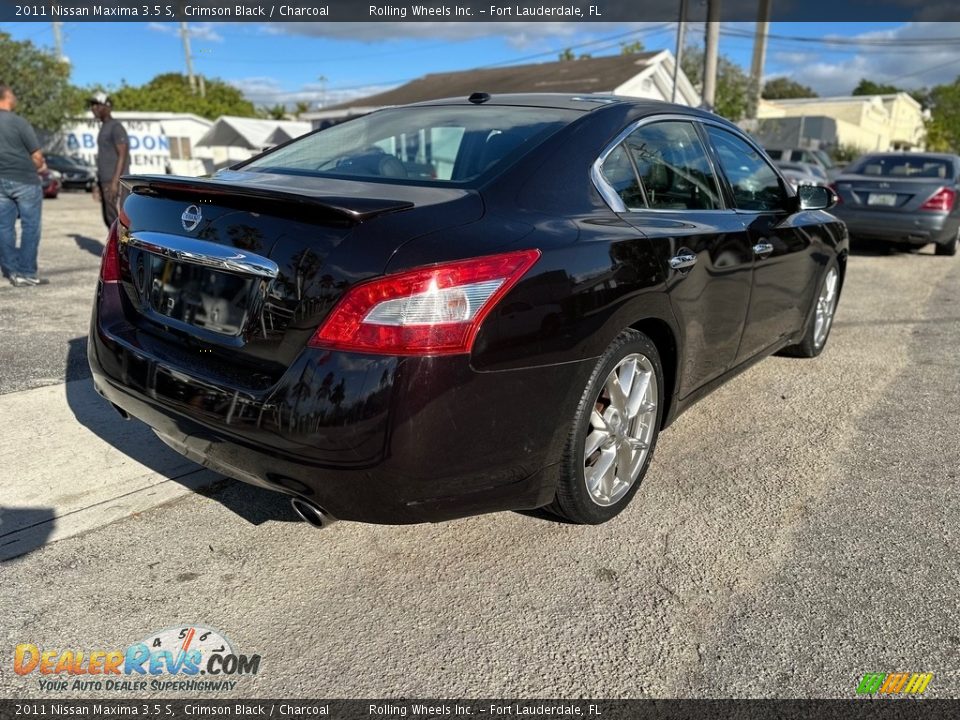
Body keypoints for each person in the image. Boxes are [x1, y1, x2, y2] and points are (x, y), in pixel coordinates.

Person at [0, 82, 47, 287]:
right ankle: (27, 272)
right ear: (6, 96)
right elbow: (37, 156)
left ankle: (11, 271)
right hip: (25, 181)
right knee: (31, 227)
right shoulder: (19, 123)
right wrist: (39, 166)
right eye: (12, 94)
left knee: (4, 226)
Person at [89, 92, 129, 228]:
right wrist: (97, 183)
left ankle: (123, 249)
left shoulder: (116, 127)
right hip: (105, 181)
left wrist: (115, 182)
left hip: (114, 182)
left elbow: (123, 155)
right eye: (92, 105)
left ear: (107, 106)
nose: (93, 108)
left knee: (118, 222)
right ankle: (116, 248)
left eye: (96, 105)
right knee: (109, 219)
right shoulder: (104, 127)